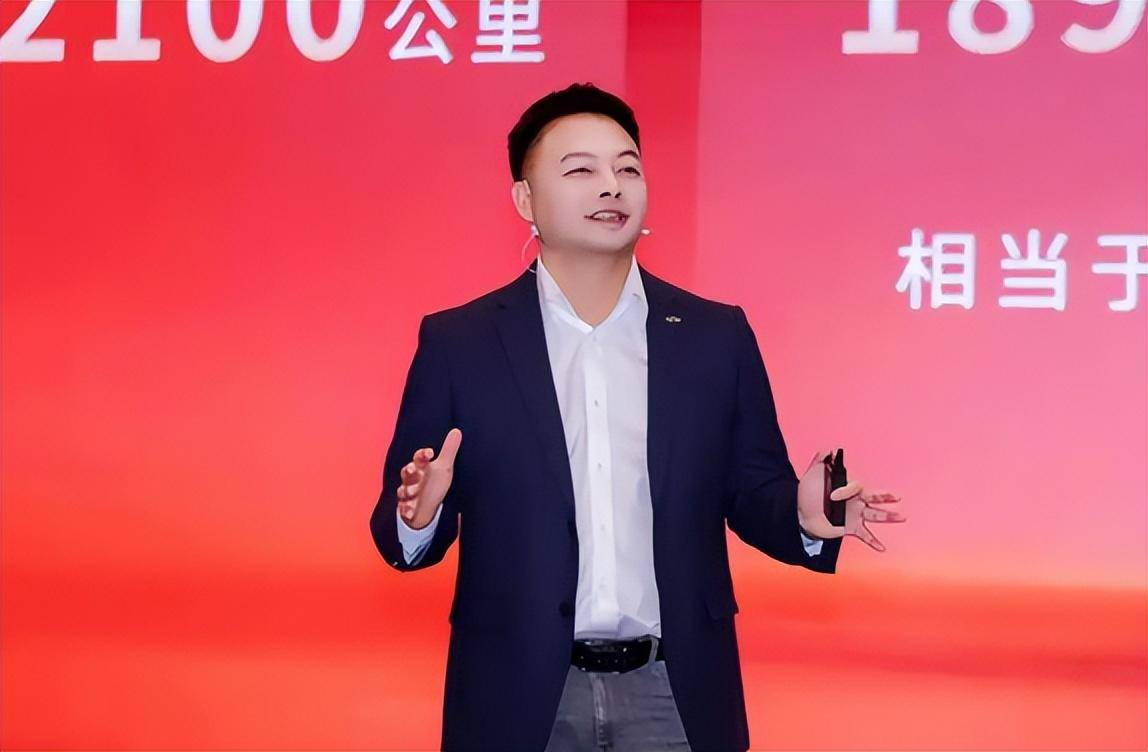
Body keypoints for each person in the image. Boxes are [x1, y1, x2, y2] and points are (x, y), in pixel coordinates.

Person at [369, 82, 907, 752]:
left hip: (674, 689)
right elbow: (400, 532)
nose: (612, 186)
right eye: (581, 170)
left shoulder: (713, 336)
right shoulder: (461, 342)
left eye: (628, 168)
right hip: (516, 691)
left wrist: (801, 516)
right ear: (525, 200)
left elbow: (751, 491)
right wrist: (416, 517)